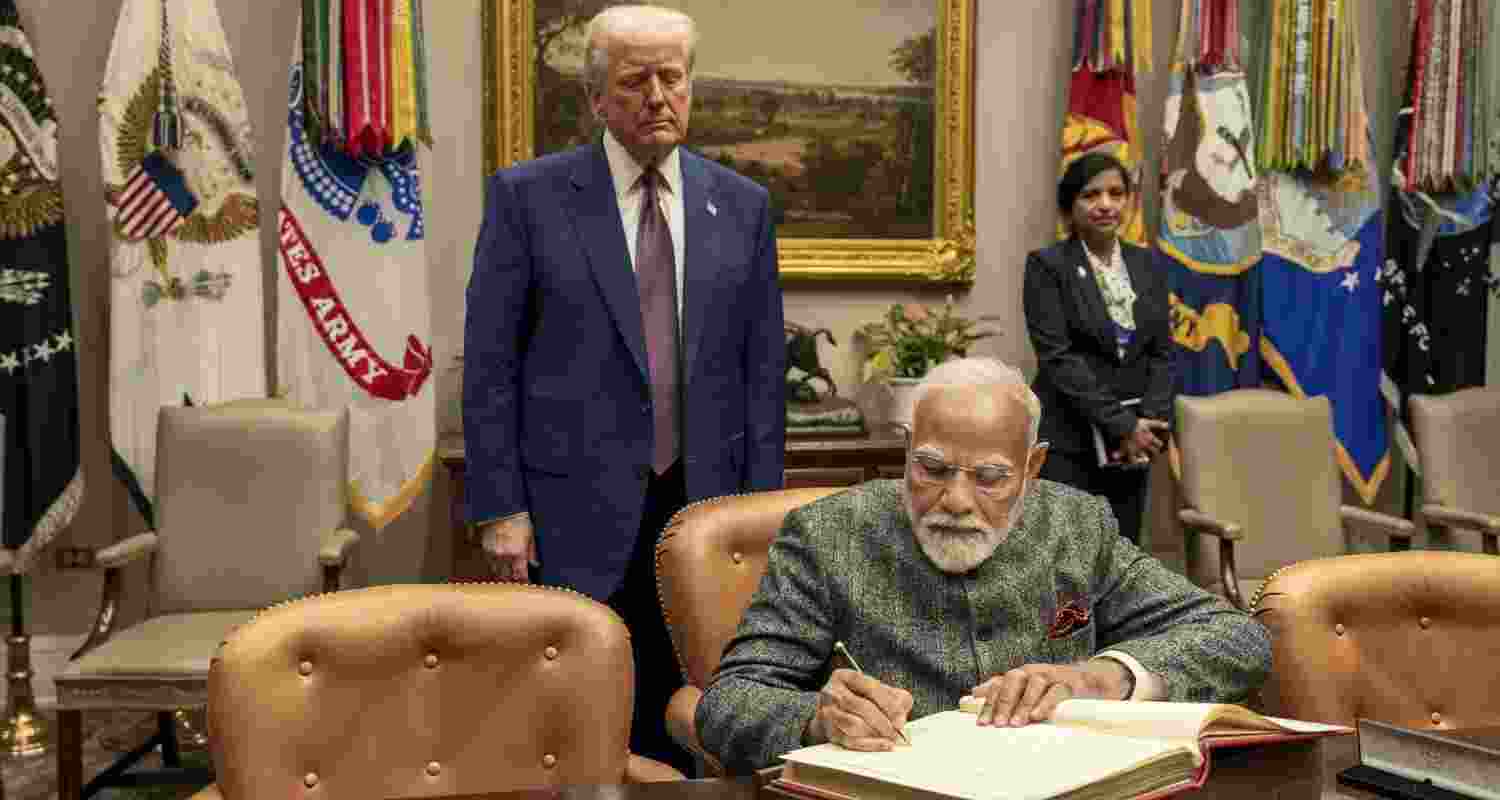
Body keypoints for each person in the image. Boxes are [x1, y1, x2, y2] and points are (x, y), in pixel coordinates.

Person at [463, 4, 785, 773]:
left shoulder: (741, 206)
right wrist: (501, 507)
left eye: (672, 77)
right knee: (579, 712)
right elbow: (490, 366)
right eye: (635, 79)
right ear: (595, 98)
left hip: (705, 507)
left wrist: (761, 514)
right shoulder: (528, 198)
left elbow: (761, 372)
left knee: (700, 700)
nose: (657, 96)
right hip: (571, 507)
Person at [695, 358, 1270, 774]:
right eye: (932, 469)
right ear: (906, 449)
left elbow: (1237, 637)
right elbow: (728, 702)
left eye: (990, 477)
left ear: (1032, 467)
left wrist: (1099, 676)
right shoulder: (828, 536)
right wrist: (817, 718)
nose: (956, 501)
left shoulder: (1076, 527)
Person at [1023, 152, 1173, 545]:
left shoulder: (1149, 264)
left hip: (1132, 451)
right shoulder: (1047, 266)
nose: (1105, 204)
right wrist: (1122, 426)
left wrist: (1148, 426)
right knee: (1067, 562)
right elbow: (1057, 357)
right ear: (1070, 206)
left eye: (1116, 193)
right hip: (1070, 444)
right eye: (1091, 195)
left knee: (1121, 559)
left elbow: (1162, 353)